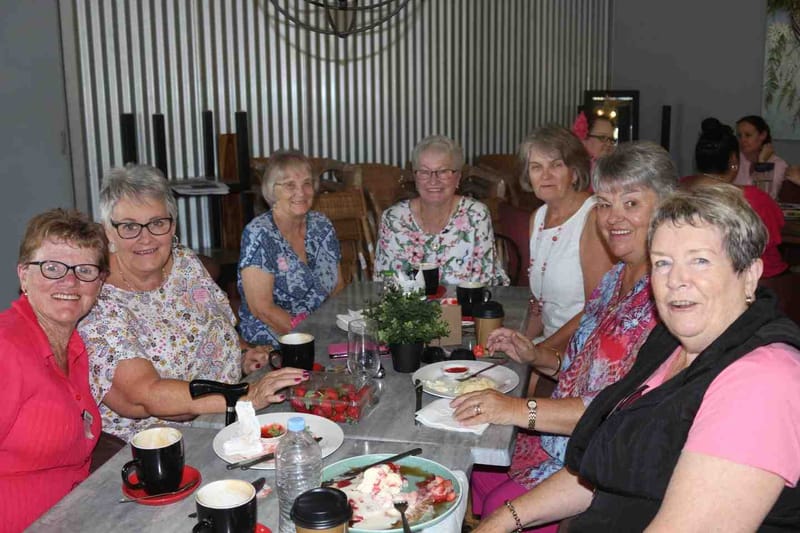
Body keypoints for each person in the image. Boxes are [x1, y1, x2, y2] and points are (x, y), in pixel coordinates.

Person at [476, 184, 800, 533]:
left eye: (700, 260)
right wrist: (502, 520)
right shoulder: (670, 344)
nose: (676, 280)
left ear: (749, 275)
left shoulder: (763, 382)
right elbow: (612, 461)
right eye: (663, 263)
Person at [454, 142, 677, 528]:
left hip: (593, 462)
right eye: (604, 204)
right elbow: (581, 370)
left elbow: (613, 410)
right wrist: (536, 356)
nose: (613, 218)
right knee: (467, 470)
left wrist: (513, 408)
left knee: (492, 501)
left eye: (631, 203)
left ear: (666, 207)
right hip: (555, 438)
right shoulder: (615, 278)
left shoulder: (667, 302)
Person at [79, 164, 307, 442]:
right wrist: (244, 396)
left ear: (173, 225)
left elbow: (217, 328)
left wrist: (244, 355)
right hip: (161, 442)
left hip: (225, 416)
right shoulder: (97, 299)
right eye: (129, 227)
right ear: (108, 231)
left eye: (157, 223)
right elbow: (145, 395)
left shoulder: (184, 263)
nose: (146, 237)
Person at [0, 209, 106, 531]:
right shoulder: (6, 348)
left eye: (85, 270)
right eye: (52, 268)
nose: (70, 281)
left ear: (100, 283)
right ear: (23, 276)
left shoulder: (75, 348)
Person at [519, 125, 613, 351]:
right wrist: (517, 343)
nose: (546, 175)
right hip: (549, 345)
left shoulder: (592, 217)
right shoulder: (538, 218)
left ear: (575, 172)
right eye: (536, 167)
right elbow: (541, 308)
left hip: (585, 347)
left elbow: (598, 309)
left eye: (556, 165)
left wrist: (538, 353)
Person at [238, 151, 344, 346]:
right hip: (272, 340)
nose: (301, 192)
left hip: (322, 333)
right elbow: (262, 308)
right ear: (271, 191)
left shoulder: (322, 225)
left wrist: (331, 329)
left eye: (307, 183)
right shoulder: (259, 234)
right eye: (289, 185)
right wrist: (310, 337)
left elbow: (338, 287)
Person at [373, 135, 510, 285]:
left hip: (465, 301)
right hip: (408, 302)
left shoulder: (475, 216)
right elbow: (384, 281)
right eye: (424, 172)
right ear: (415, 177)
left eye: (443, 171)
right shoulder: (393, 219)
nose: (433, 180)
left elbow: (483, 284)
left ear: (458, 177)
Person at [682, 117, 788, 278]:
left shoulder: (677, 188)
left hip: (696, 273)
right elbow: (776, 232)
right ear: (733, 160)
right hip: (759, 279)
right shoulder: (753, 198)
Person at [733, 114, 787, 199]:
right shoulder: (735, 159)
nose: (742, 140)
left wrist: (762, 162)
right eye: (739, 136)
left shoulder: (778, 164)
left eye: (748, 135)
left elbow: (765, 197)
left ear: (762, 135)